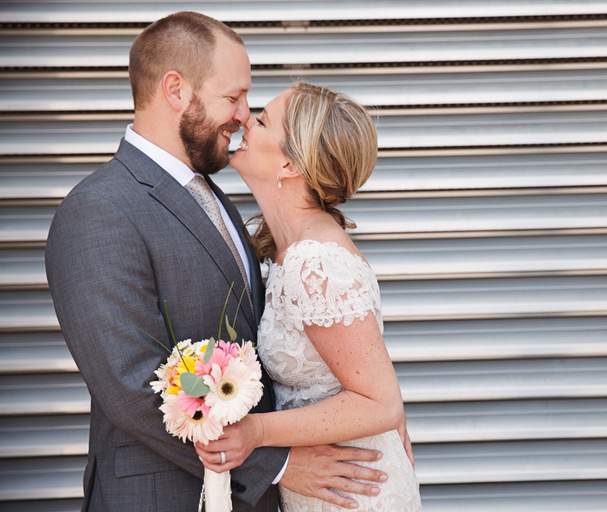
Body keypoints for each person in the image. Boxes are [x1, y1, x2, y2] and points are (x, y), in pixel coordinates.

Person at [46, 12, 391, 512]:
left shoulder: (217, 196)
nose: (243, 115)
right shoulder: (99, 209)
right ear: (176, 90)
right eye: (233, 97)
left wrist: (380, 417)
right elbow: (131, 385)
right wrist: (278, 464)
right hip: (162, 496)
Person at [194, 83, 422, 511]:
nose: (244, 119)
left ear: (291, 164)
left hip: (354, 492)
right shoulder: (283, 251)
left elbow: (381, 403)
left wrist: (257, 433)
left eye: (261, 121)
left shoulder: (314, 264)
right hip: (324, 485)